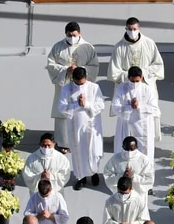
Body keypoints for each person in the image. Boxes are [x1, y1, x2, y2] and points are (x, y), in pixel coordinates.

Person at [46, 22, 99, 153]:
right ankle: (63, 142)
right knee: (64, 111)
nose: (72, 37)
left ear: (79, 33)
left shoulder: (88, 47)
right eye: (69, 35)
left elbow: (94, 66)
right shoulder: (58, 47)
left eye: (74, 35)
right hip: (65, 84)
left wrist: (80, 70)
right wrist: (66, 70)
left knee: (81, 110)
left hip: (81, 86)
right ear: (66, 34)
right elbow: (51, 64)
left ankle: (82, 140)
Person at [108, 18, 164, 140]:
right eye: (130, 29)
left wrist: (142, 73)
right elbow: (114, 71)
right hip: (127, 86)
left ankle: (149, 137)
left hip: (145, 84)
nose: (132, 31)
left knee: (149, 109)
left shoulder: (149, 43)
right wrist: (130, 76)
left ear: (139, 29)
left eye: (134, 29)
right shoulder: (119, 47)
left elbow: (158, 65)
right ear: (126, 29)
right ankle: (128, 138)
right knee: (128, 112)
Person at [59, 67, 105, 191]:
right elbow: (62, 107)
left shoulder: (94, 87)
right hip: (75, 126)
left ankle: (94, 173)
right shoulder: (66, 89)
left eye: (82, 82)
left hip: (92, 126)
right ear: (73, 78)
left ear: (86, 77)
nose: (80, 85)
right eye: (77, 83)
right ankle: (81, 177)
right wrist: (76, 105)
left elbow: (101, 105)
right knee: (78, 151)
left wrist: (86, 105)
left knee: (93, 151)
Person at [111, 68, 159, 159]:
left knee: (144, 152)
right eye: (132, 81)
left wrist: (138, 107)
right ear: (128, 78)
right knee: (126, 150)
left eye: (137, 81)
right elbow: (115, 107)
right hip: (126, 124)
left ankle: (144, 173)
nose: (135, 84)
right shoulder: (121, 88)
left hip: (143, 125)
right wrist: (129, 107)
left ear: (142, 77)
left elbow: (154, 108)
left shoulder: (147, 89)